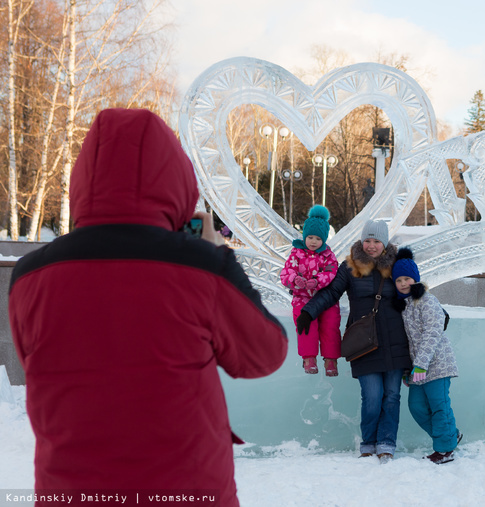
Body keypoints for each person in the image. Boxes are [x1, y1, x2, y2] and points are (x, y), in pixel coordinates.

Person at [8, 108, 288, 506]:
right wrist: (221, 258)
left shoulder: (30, 275)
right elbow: (263, 355)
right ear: (174, 180)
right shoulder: (201, 266)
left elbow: (35, 361)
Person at [296, 220, 411, 463]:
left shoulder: (398, 265)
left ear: (385, 243)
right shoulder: (349, 267)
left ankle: (387, 443)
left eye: (376, 241)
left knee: (391, 396)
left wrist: (434, 312)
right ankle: (368, 442)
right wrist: (309, 311)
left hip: (395, 340)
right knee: (371, 397)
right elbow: (331, 292)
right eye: (367, 240)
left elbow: (414, 291)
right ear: (361, 241)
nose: (371, 246)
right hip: (364, 342)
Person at [391, 247, 461, 464]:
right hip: (417, 369)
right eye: (399, 280)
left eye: (407, 279)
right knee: (417, 407)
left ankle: (445, 449)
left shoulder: (427, 301)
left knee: (439, 406)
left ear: (416, 279)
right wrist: (407, 370)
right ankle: (451, 436)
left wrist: (420, 365)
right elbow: (405, 342)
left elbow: (433, 332)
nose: (403, 283)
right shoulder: (402, 307)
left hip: (437, 365)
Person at [280, 205, 341, 376]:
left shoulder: (328, 255)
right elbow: (286, 272)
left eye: (318, 239)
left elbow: (331, 272)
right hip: (302, 298)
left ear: (324, 240)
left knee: (330, 325)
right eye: (310, 237)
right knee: (306, 325)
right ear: (305, 236)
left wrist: (317, 282)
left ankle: (331, 360)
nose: (313, 242)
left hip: (324, 299)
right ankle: (309, 358)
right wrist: (295, 280)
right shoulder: (296, 253)